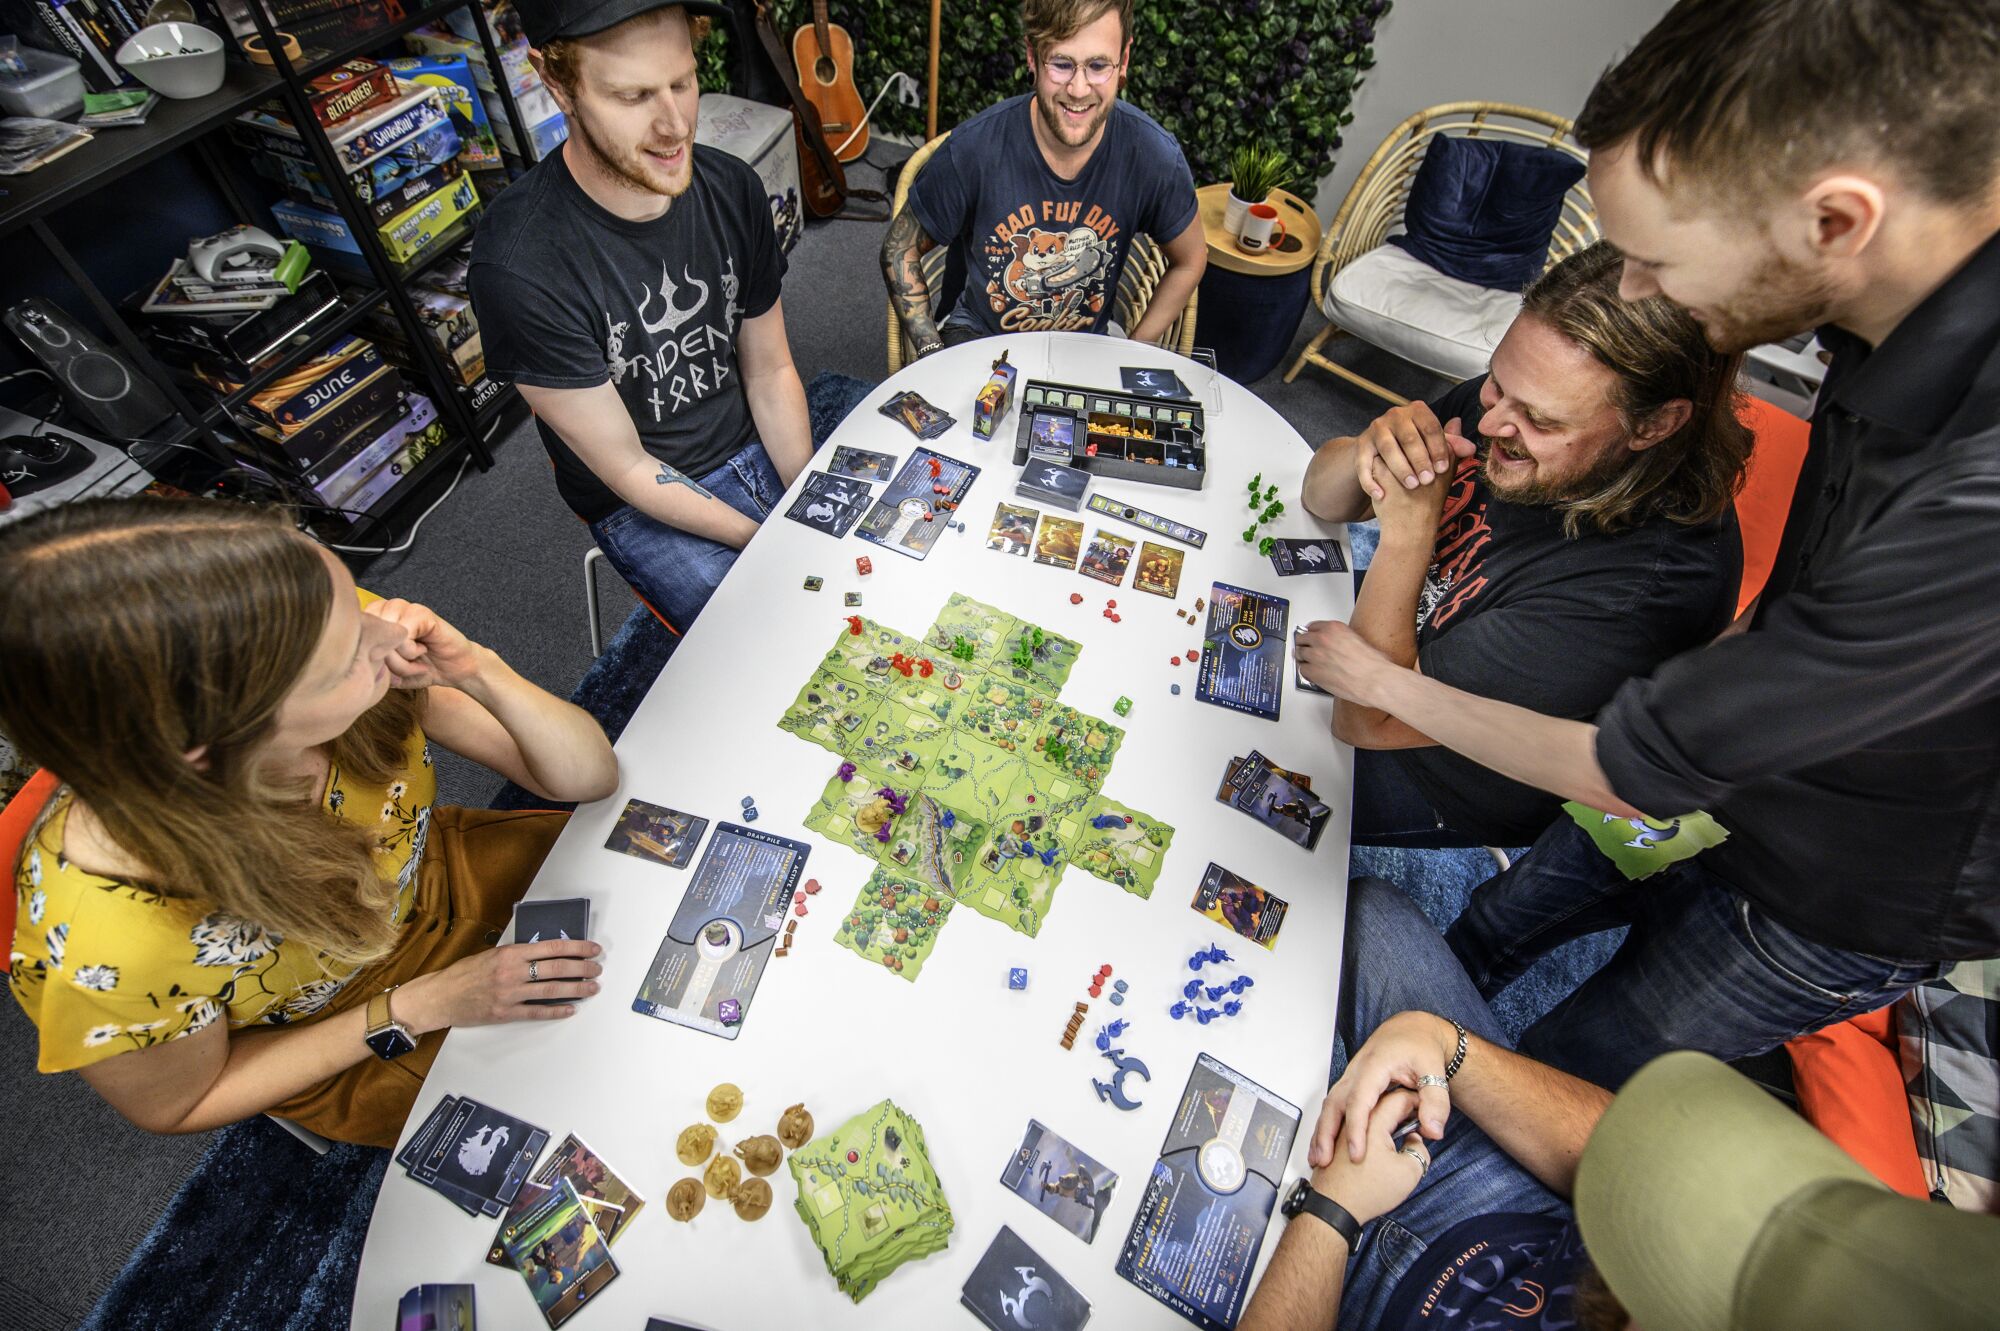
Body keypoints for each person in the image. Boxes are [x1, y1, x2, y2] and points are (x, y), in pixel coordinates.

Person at [1294, 0, 2000, 1091]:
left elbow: (1631, 771)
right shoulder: (1883, 310)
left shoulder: (1970, 502)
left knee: (1580, 1061)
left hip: (1840, 882)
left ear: (1834, 221)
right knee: (1508, 917)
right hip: (1721, 736)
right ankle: (1461, 976)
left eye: (1651, 257)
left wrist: (1374, 668)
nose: (1629, 289)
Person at [0, 501, 618, 1148]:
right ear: (213, 745)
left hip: (442, 871)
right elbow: (180, 1101)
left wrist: (478, 671)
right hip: (342, 1023)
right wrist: (417, 1005)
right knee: (595, 1110)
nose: (389, 633)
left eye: (352, 601)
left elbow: (588, 776)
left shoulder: (325, 627)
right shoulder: (111, 942)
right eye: (347, 656)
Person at [1234, 877, 1998, 1331]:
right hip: (1508, 1205)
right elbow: (1623, 1150)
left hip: (1353, 1291)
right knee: (1369, 915)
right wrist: (1446, 1047)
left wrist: (1329, 1216)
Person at [1300, 241, 1747, 850]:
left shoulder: (1643, 594)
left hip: (1444, 774)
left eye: (1543, 420)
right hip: (1409, 635)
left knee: (1222, 779)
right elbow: (1322, 500)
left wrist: (1406, 534)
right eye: (1495, 383)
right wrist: (1368, 451)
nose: (1490, 426)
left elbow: (1365, 719)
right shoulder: (1517, 403)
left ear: (1653, 425)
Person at [470, 0, 813, 635]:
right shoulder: (518, 268)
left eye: (682, 83)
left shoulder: (733, 187)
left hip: (756, 436)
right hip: (643, 497)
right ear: (556, 83)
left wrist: (807, 506)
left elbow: (770, 372)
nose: (675, 125)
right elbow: (627, 466)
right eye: (632, 96)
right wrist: (762, 540)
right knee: (778, 646)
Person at [880, 0, 1205, 357]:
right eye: (1062, 64)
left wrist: (1136, 349)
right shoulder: (974, 149)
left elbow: (1191, 259)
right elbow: (899, 248)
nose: (1079, 89)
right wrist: (930, 352)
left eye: (1098, 66)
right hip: (981, 340)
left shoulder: (1153, 155)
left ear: (1123, 60)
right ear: (1033, 57)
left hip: (1088, 348)